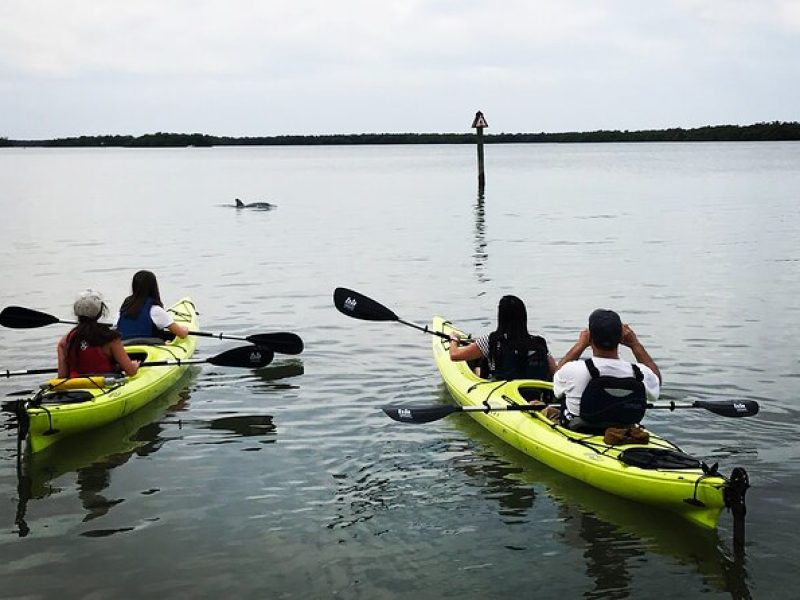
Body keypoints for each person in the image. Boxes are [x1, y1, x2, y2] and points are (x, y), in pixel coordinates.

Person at [553, 308, 661, 431]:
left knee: (549, 411)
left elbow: (556, 383)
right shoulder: (640, 372)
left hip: (580, 430)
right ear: (622, 338)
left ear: (589, 338)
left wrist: (580, 345)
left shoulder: (573, 370)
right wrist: (635, 344)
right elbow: (656, 383)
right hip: (624, 430)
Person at [448, 295, 557, 381]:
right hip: (535, 393)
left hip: (503, 395)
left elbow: (454, 355)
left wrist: (454, 340)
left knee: (478, 368)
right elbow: (554, 372)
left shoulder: (491, 340)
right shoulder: (539, 342)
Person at [57, 290, 140, 378]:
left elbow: (62, 376)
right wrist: (134, 365)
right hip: (106, 385)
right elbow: (130, 371)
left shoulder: (65, 341)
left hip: (76, 385)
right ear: (100, 312)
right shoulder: (111, 338)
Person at [116, 270, 189, 341]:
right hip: (150, 349)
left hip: (125, 347)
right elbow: (182, 334)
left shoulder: (123, 309)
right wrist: (185, 329)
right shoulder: (155, 310)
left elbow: (116, 327)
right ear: (153, 287)